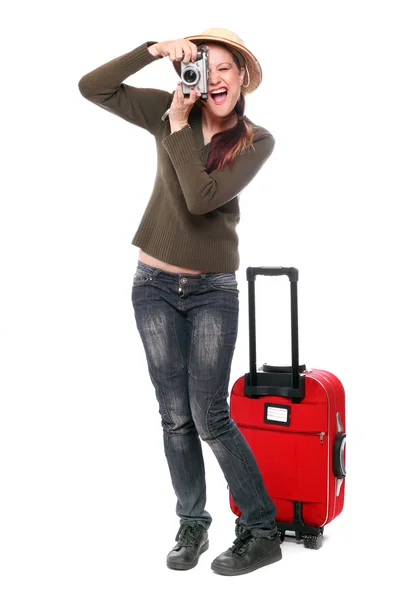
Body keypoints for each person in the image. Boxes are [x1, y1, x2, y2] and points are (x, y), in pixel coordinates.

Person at [78, 27, 282, 576]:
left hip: (213, 289)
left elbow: (200, 197)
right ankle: (192, 523)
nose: (212, 79)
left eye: (224, 69)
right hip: (153, 286)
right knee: (173, 417)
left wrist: (173, 127)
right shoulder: (173, 110)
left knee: (210, 415)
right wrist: (152, 51)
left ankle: (261, 529)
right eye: (202, 66)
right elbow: (91, 87)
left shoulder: (255, 140)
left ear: (241, 77)